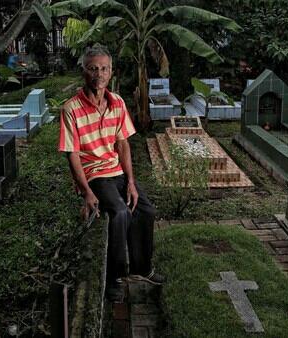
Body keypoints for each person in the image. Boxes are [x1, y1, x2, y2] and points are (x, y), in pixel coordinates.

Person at [58, 44, 165, 302]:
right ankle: (114, 277)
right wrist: (85, 192)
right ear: (84, 71)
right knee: (119, 213)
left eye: (104, 69)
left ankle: (142, 268)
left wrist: (131, 182)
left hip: (115, 171)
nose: (99, 74)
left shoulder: (117, 102)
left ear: (111, 72)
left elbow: (123, 144)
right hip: (94, 174)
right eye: (93, 69)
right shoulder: (71, 109)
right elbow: (71, 154)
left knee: (145, 210)